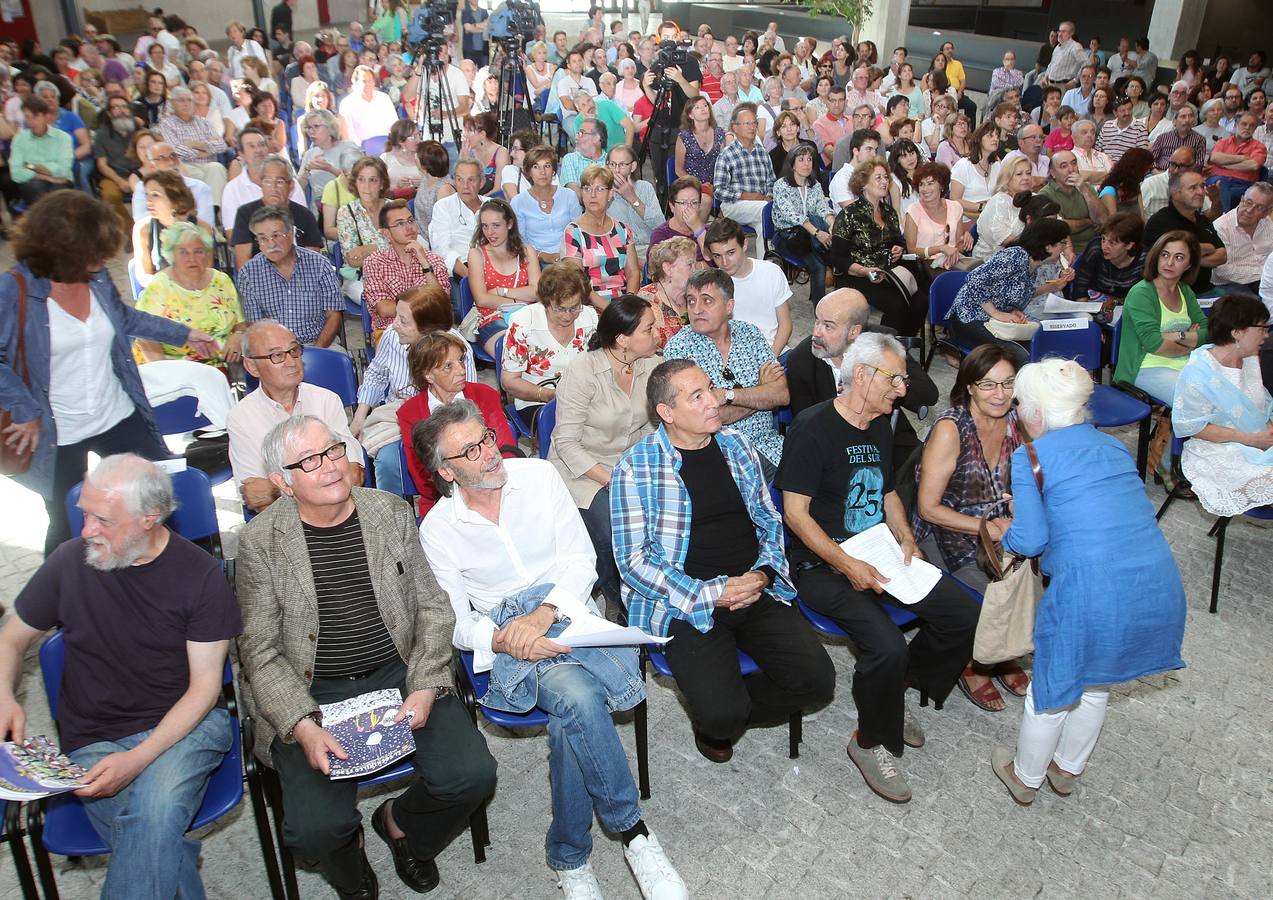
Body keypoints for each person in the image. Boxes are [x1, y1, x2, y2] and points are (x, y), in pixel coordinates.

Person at [416, 401, 688, 900]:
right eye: (471, 451)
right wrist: (505, 638)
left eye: (487, 438)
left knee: (572, 714)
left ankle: (570, 856)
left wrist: (542, 616)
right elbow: (454, 621)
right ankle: (634, 835)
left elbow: (580, 559)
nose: (489, 454)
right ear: (445, 470)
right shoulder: (438, 529)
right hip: (510, 641)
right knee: (580, 700)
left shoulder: (538, 476)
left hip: (570, 616)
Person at [236, 414, 496, 897]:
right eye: (310, 461)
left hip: (398, 670)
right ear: (282, 482)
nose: (332, 466)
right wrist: (301, 724)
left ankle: (402, 827)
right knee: (314, 831)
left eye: (334, 450)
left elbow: (434, 608)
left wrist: (424, 683)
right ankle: (349, 865)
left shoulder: (388, 513)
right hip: (310, 688)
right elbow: (259, 650)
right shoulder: (259, 542)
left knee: (472, 776)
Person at [0, 454, 241, 899]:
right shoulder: (71, 560)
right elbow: (10, 639)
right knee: (154, 832)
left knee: (152, 815)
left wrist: (137, 759)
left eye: (102, 519)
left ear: (149, 518)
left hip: (186, 727)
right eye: (84, 515)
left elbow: (205, 691)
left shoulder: (201, 577)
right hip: (94, 737)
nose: (87, 529)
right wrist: (5, 696)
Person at [778, 331, 980, 803]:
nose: (903, 390)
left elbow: (887, 492)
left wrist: (906, 535)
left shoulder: (880, 424)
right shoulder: (812, 428)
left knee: (964, 614)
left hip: (879, 551)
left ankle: (893, 693)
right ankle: (868, 741)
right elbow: (795, 514)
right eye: (895, 379)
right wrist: (846, 562)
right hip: (820, 563)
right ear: (862, 375)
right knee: (887, 646)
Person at [610, 357, 835, 764]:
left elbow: (769, 519)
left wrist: (764, 573)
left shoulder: (737, 447)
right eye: (697, 396)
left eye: (710, 388)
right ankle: (720, 717)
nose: (714, 400)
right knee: (719, 719)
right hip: (683, 604)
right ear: (667, 412)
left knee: (818, 682)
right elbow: (633, 562)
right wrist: (711, 593)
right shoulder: (635, 467)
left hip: (753, 587)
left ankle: (731, 708)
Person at [991, 359, 1186, 805]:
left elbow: (1032, 540)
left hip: (1090, 589)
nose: (1016, 411)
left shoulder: (1030, 456)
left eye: (1019, 404)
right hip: (1152, 578)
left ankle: (1025, 777)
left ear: (1036, 413)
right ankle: (1067, 768)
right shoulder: (1113, 447)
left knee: (1051, 687)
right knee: (1096, 681)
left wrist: (1008, 526)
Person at [0, 191, 217, 556]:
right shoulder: (15, 288)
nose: (103, 261)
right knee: (69, 524)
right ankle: (64, 601)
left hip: (117, 412)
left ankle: (197, 569)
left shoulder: (96, 277)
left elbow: (124, 317)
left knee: (162, 493)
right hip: (60, 430)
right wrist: (24, 408)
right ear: (62, 248)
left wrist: (183, 333)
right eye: (94, 253)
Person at [547, 296, 660, 615]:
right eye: (649, 329)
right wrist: (615, 480)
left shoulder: (650, 365)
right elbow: (566, 443)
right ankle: (616, 595)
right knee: (616, 527)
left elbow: (652, 427)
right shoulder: (583, 371)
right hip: (581, 470)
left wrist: (645, 468)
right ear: (623, 339)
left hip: (627, 464)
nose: (657, 333)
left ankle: (657, 585)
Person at [787, 289, 938, 472]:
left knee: (930, 472)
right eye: (817, 321)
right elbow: (805, 424)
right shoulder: (802, 360)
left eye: (828, 326)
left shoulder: (880, 345)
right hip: (835, 447)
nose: (816, 333)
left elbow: (928, 394)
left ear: (854, 331)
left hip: (888, 435)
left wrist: (885, 380)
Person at [663, 267, 787, 478]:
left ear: (729, 306)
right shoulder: (679, 350)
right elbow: (707, 417)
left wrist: (728, 395)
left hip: (769, 446)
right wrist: (760, 393)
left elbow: (781, 395)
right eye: (691, 301)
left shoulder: (750, 334)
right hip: (718, 455)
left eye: (707, 301)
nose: (696, 309)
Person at [1172, 292, 1273, 516]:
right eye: (1262, 329)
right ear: (1237, 332)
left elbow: (1260, 404)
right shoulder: (1199, 373)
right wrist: (1252, 439)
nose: (1266, 335)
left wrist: (1268, 428)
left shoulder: (1250, 359)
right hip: (1221, 449)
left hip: (1257, 438)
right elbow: (1195, 428)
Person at [396, 330, 514, 509]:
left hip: (495, 485)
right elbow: (423, 477)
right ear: (428, 375)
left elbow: (506, 451)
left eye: (460, 360)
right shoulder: (410, 414)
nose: (461, 370)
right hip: (443, 498)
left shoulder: (485, 396)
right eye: (448, 366)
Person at [947, 218, 1075, 364]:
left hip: (992, 321)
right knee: (1019, 357)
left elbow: (1017, 293)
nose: (1065, 249)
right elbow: (975, 280)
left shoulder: (1032, 266)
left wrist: (1012, 311)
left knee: (1040, 351)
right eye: (1063, 243)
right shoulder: (1016, 256)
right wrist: (996, 313)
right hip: (968, 319)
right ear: (1048, 246)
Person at [1113, 230, 1210, 407]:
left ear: (1189, 264)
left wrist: (1175, 336)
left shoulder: (1185, 291)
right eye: (1165, 255)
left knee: (1224, 392)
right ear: (1156, 257)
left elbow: (1207, 332)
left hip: (1186, 364)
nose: (1170, 263)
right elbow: (1154, 344)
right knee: (1196, 402)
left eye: (1179, 257)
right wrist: (1188, 344)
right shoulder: (1141, 293)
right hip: (1146, 367)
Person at [832, 157, 926, 337]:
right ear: (863, 183)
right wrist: (864, 271)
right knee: (896, 305)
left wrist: (899, 248)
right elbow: (837, 258)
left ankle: (900, 341)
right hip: (857, 275)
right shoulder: (849, 215)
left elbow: (896, 241)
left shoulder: (889, 213)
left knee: (921, 301)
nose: (884, 182)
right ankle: (882, 347)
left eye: (886, 178)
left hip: (887, 272)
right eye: (878, 178)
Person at [502, 262, 600, 432]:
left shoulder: (589, 317)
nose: (568, 315)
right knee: (573, 430)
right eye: (560, 309)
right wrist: (549, 395)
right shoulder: (524, 323)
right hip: (538, 400)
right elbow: (509, 382)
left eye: (574, 307)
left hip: (584, 395)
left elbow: (600, 364)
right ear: (546, 302)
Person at [134, 222, 245, 366]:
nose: (192, 258)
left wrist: (238, 335)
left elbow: (241, 322)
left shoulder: (221, 281)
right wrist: (165, 377)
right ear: (171, 255)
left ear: (207, 254)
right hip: (170, 367)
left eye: (198, 251)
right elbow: (144, 336)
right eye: (183, 252)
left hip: (216, 366)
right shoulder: (159, 286)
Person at [236, 206, 344, 348]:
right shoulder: (249, 273)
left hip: (319, 343)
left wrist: (318, 352)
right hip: (275, 350)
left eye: (276, 235)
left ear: (291, 234)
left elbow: (334, 315)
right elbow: (257, 326)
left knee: (338, 361)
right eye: (263, 238)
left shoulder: (319, 264)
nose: (271, 244)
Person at [361, 197, 451, 337]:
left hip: (430, 331)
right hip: (392, 331)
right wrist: (426, 307)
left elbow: (441, 305)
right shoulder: (374, 263)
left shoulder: (433, 260)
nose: (409, 227)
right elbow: (384, 309)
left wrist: (425, 264)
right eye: (400, 224)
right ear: (386, 233)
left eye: (410, 220)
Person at [464, 197, 540, 358]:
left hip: (526, 316)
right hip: (490, 319)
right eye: (485, 226)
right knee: (511, 349)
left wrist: (500, 291)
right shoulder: (477, 254)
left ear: (510, 224)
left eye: (496, 226)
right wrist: (520, 301)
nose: (490, 233)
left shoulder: (527, 252)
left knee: (542, 348)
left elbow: (536, 292)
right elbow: (482, 300)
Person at [705, 216, 793, 354]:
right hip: (736, 358)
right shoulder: (713, 285)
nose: (724, 262)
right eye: (717, 256)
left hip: (775, 351)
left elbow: (785, 324)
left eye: (731, 253)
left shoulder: (771, 272)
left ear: (744, 245)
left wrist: (771, 358)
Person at [562, 165, 640, 310]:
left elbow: (633, 272)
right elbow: (577, 281)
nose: (592, 195)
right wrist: (610, 310)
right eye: (587, 189)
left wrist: (629, 302)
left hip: (623, 302)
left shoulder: (623, 230)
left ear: (610, 194)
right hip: (589, 305)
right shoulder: (573, 232)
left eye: (599, 189)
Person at [771, 143, 837, 308]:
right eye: (801, 159)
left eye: (810, 159)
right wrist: (818, 233)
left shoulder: (814, 185)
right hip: (788, 236)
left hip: (810, 234)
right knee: (819, 265)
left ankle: (830, 254)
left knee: (825, 221)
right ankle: (821, 311)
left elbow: (822, 207)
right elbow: (791, 215)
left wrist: (832, 224)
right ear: (792, 163)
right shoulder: (781, 185)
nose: (807, 163)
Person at [1142, 169, 1227, 295]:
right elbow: (1162, 260)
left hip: (1206, 290)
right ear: (1176, 193)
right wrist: (1206, 249)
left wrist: (1187, 257)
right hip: (1171, 292)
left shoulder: (1202, 220)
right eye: (1193, 188)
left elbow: (1222, 255)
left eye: (1202, 186)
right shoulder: (1160, 222)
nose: (1201, 192)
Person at [230, 155, 324, 268]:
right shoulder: (245, 214)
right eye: (268, 181)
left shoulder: (305, 215)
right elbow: (243, 262)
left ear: (291, 186)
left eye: (279, 181)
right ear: (261, 184)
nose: (273, 187)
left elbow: (314, 261)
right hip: (260, 280)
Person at [713, 103, 775, 259]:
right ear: (735, 127)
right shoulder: (727, 154)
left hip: (762, 204)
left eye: (754, 123)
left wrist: (768, 195)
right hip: (734, 205)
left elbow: (772, 181)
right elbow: (719, 190)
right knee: (766, 211)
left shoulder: (762, 152)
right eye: (747, 123)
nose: (752, 127)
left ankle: (766, 264)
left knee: (764, 220)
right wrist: (744, 195)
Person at [132, 171, 211, 289]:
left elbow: (208, 269)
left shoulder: (202, 227)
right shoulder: (142, 229)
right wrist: (171, 287)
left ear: (174, 197)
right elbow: (143, 276)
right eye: (146, 195)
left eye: (155, 195)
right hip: (161, 291)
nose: (148, 201)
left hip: (197, 289)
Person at [333, 156, 392, 301]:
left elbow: (407, 248)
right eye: (361, 179)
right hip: (360, 277)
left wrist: (370, 249)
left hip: (397, 272)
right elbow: (352, 259)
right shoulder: (346, 212)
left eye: (373, 180)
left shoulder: (394, 208)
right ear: (355, 183)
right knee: (380, 298)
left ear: (382, 183)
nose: (366, 186)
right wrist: (390, 249)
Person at [156, 86, 228, 204]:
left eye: (189, 100)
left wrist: (193, 144)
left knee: (216, 168)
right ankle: (209, 212)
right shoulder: (167, 124)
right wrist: (206, 149)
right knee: (206, 177)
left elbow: (222, 145)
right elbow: (177, 151)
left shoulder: (204, 122)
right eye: (181, 100)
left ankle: (214, 209)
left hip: (208, 164)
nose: (186, 104)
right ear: (173, 104)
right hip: (185, 166)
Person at [904, 160, 974, 270]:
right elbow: (911, 250)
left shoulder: (955, 207)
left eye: (930, 183)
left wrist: (965, 240)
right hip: (926, 267)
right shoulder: (913, 210)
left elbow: (958, 247)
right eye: (921, 184)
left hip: (952, 263)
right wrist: (940, 249)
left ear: (941, 186)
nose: (925, 189)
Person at [428, 158, 487, 283]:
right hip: (461, 271)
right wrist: (472, 277)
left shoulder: (492, 205)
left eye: (471, 180)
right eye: (460, 180)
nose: (465, 186)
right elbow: (441, 250)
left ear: (481, 182)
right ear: (454, 181)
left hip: (494, 267)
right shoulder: (443, 206)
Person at [1070, 211, 1146, 305]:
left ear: (1129, 245)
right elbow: (1080, 286)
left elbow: (1144, 294)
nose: (1104, 246)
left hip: (1127, 305)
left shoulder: (1144, 259)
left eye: (1112, 243)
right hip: (1094, 302)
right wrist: (1084, 314)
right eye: (1103, 239)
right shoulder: (1095, 249)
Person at [969, 156, 1035, 263]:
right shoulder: (999, 202)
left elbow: (1056, 225)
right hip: (993, 262)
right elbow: (1007, 243)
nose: (1026, 177)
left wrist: (1067, 247)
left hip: (1027, 257)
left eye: (1028, 173)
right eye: (1019, 174)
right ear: (1007, 178)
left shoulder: (1035, 198)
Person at [7, 96, 73, 204]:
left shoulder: (63, 138)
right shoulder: (19, 139)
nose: (31, 122)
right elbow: (15, 173)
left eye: (35, 117)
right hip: (34, 183)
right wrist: (48, 177)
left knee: (57, 193)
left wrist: (29, 166)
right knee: (35, 187)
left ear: (46, 117)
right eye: (27, 117)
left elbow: (63, 170)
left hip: (62, 182)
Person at [1039, 150, 1109, 249]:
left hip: (1096, 246)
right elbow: (1062, 226)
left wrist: (1084, 190)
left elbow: (1103, 220)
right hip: (1066, 252)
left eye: (1074, 163)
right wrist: (1090, 222)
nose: (1071, 169)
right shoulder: (1045, 194)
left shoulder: (1086, 187)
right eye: (1064, 166)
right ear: (1053, 173)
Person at [1212, 182, 1273, 292]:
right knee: (1257, 307)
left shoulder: (1267, 223)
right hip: (1230, 284)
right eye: (1248, 202)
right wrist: (1265, 272)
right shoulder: (1220, 227)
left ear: (1266, 213)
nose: (1249, 210)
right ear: (1241, 200)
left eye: (1259, 207)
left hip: (1264, 279)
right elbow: (1222, 271)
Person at [604, 144, 662, 254]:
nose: (616, 170)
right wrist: (607, 200)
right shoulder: (603, 190)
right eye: (612, 164)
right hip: (617, 251)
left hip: (648, 249)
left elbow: (659, 225)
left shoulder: (645, 187)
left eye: (622, 165)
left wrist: (632, 198)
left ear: (633, 166)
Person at [638, 237, 696, 348]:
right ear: (668, 269)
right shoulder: (647, 299)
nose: (694, 269)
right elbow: (651, 346)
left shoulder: (695, 293)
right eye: (690, 264)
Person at [1209, 112, 1269, 212]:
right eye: (1244, 124)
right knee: (1219, 184)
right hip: (1216, 179)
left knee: (1223, 187)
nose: (1247, 127)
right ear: (1236, 125)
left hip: (1242, 184)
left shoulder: (1259, 147)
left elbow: (1253, 165)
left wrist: (1225, 164)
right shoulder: (1222, 142)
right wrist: (1242, 158)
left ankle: (1223, 218)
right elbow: (1215, 158)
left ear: (1255, 129)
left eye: (1251, 125)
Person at [649, 175, 711, 263]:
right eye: (683, 203)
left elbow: (713, 262)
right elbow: (660, 271)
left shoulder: (707, 231)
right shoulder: (661, 235)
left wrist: (698, 229)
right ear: (672, 206)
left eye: (694, 202)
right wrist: (701, 266)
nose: (689, 208)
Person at [949, 122, 1002, 219]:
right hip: (966, 218)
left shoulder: (997, 166)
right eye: (990, 135)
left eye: (997, 136)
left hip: (992, 218)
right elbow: (954, 200)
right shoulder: (963, 165)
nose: (995, 139)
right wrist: (982, 207)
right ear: (979, 139)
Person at [674, 95, 725, 190]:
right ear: (690, 115)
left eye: (705, 106)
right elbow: (679, 169)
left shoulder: (719, 133)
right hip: (690, 185)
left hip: (716, 186)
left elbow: (724, 165)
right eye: (697, 107)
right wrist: (697, 186)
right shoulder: (684, 136)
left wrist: (715, 186)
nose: (703, 109)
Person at [338, 64, 399, 144]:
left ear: (374, 82)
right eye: (363, 81)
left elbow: (394, 124)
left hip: (387, 146)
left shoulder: (384, 98)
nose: (367, 84)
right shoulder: (347, 104)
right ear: (354, 82)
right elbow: (347, 134)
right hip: (361, 150)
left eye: (370, 81)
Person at [1097, 147, 1154, 218]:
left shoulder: (1135, 188)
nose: (1147, 173)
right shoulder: (1109, 191)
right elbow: (1112, 224)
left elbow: (1142, 217)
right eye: (1147, 169)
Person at [1097, 94, 1150, 164]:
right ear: (1115, 113)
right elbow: (1097, 150)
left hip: (1126, 167)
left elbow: (1141, 156)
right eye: (1122, 110)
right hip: (1104, 165)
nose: (1127, 113)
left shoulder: (1140, 128)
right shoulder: (1107, 125)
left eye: (1129, 109)